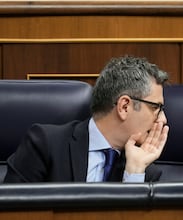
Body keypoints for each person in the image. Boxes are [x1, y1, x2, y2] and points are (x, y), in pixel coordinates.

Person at [5, 56, 169, 183]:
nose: (162, 119)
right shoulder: (45, 145)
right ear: (124, 106)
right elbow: (13, 218)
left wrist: (134, 174)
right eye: (156, 108)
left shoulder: (145, 171)